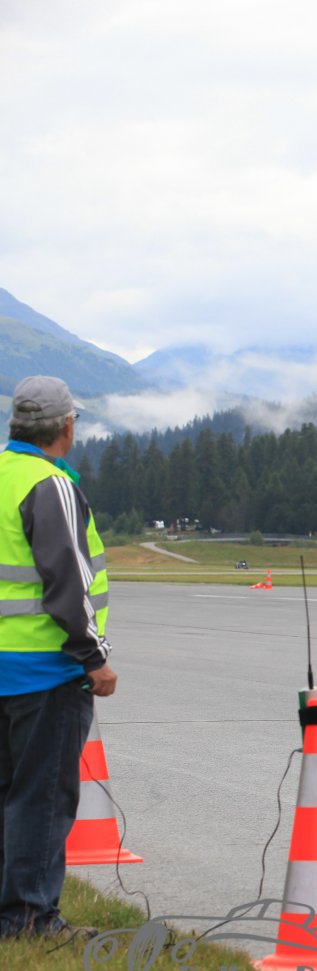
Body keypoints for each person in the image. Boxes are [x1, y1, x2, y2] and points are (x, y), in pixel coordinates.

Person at [0, 376, 114, 941]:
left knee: (8, 796)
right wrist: (94, 657)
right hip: (44, 671)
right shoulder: (50, 485)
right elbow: (68, 581)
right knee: (41, 799)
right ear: (66, 426)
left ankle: (12, 913)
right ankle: (30, 919)